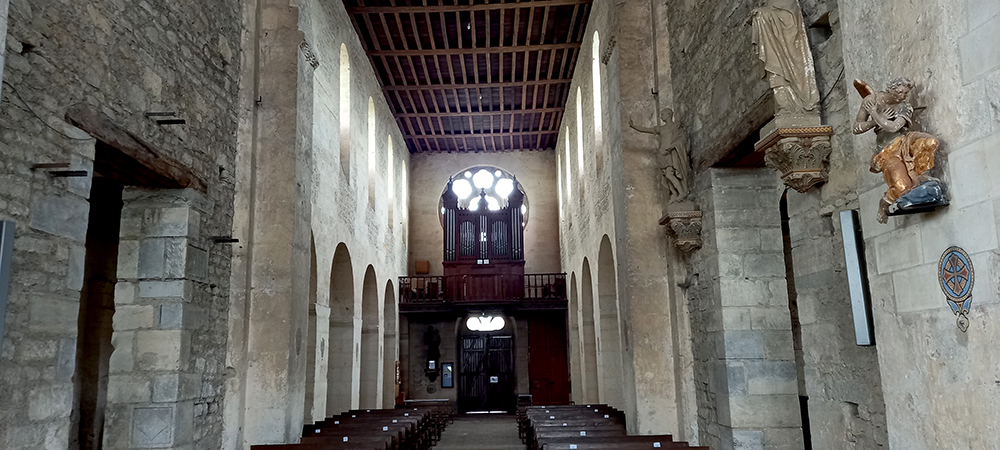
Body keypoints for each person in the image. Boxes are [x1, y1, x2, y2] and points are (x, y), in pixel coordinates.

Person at [629, 108, 691, 204]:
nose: (661, 116)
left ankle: (682, 192)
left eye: (662, 114)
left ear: (669, 114)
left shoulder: (675, 127)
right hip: (662, 155)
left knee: (670, 174)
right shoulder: (661, 128)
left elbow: (682, 139)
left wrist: (672, 146)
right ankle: (674, 193)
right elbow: (646, 130)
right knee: (666, 176)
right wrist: (633, 126)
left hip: (671, 153)